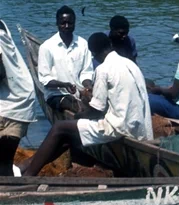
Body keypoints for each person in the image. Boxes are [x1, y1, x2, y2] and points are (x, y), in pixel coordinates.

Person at [23, 33, 153, 177]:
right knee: (69, 137)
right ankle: (26, 167)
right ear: (109, 45)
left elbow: (96, 112)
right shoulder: (130, 64)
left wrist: (78, 117)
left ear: (93, 53)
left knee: (60, 127)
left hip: (118, 128)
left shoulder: (103, 69)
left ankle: (29, 174)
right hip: (140, 127)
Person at [38, 5, 94, 114]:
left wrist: (88, 86)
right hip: (56, 95)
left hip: (79, 92)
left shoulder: (83, 44)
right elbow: (45, 79)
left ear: (75, 23)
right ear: (57, 24)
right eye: (63, 23)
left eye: (70, 23)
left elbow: (86, 72)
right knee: (71, 104)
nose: (67, 26)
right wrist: (64, 85)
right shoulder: (47, 47)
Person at [0, 20, 36, 175]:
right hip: (22, 102)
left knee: (4, 163)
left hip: (10, 106)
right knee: (5, 162)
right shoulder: (2, 28)